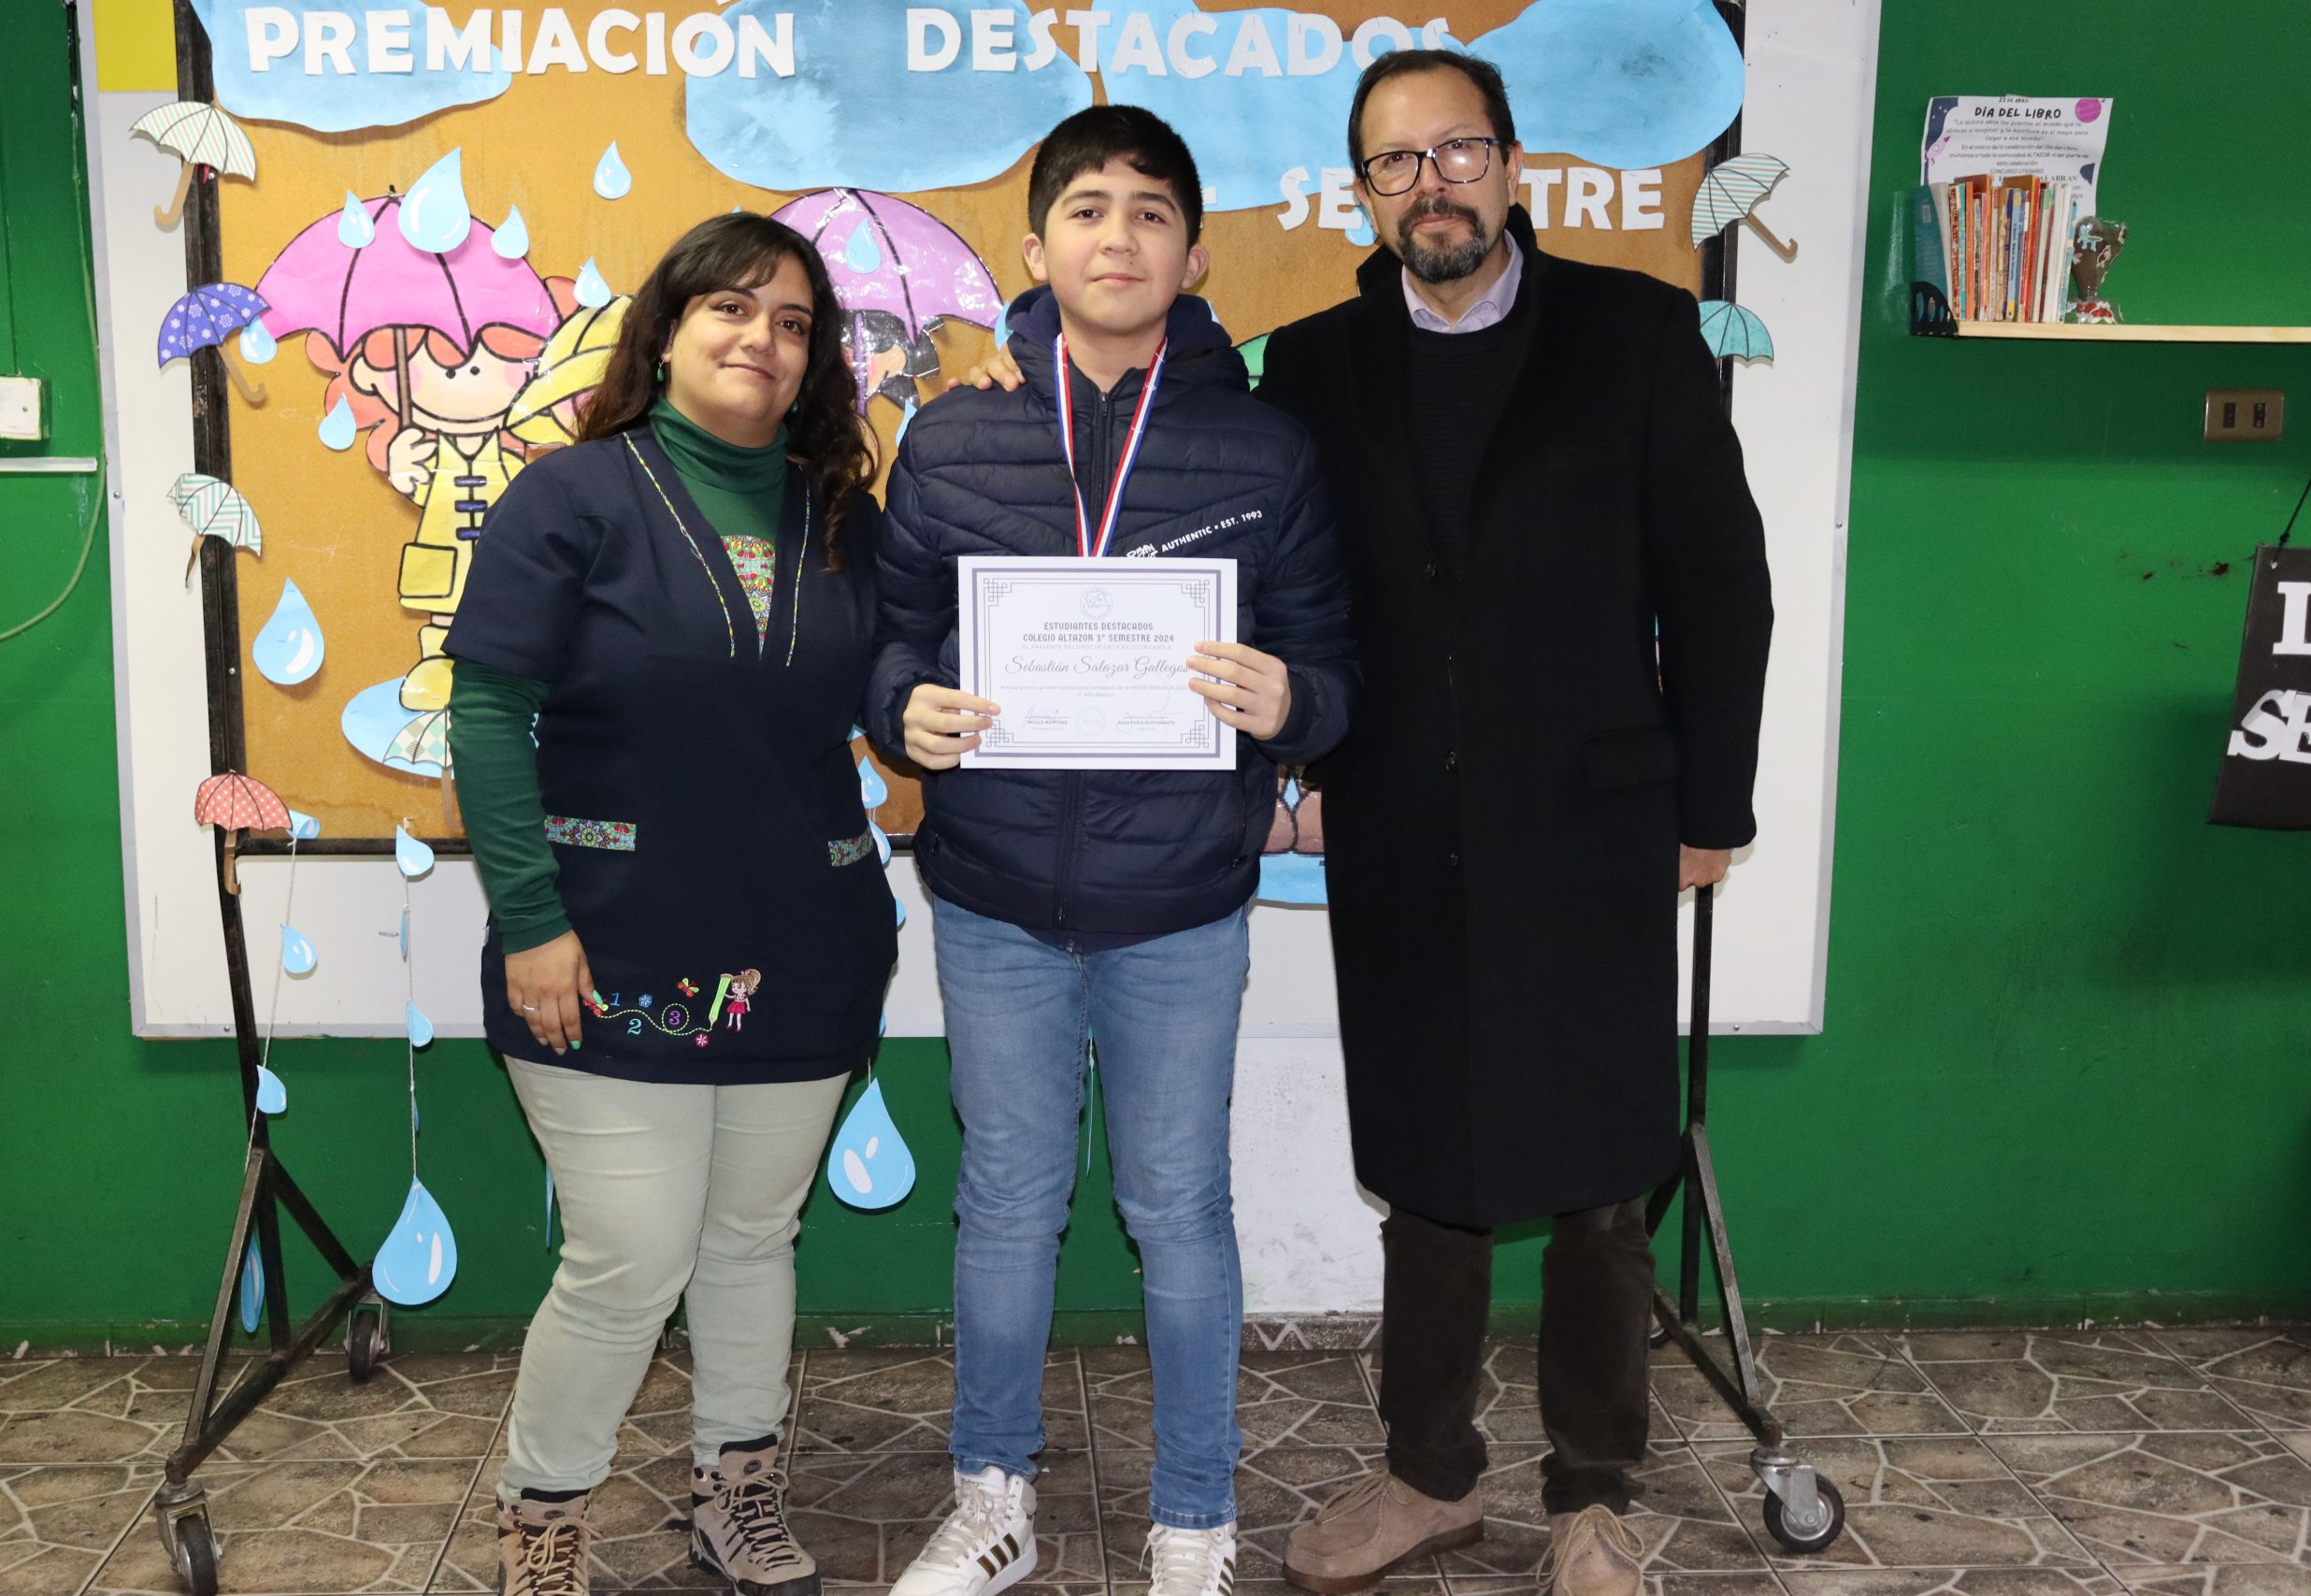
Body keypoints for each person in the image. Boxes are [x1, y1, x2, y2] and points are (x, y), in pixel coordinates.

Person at [959, 47, 1772, 1596]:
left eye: (1457, 152)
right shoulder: (1317, 367)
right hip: (1398, 825)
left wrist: (1712, 805)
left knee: (1605, 1170)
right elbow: (1170, 412)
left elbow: (1722, 584)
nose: (1431, 185)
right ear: (1365, 192)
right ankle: (1428, 1476)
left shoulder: (1636, 332)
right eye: (1397, 163)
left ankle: (1592, 1494)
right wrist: (1011, 350)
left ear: (1512, 168)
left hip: (1597, 823)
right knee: (1426, 1156)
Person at [865, 104, 1356, 1596]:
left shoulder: (1266, 446)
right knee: (1007, 1206)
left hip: (1182, 906)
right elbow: (892, 639)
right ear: (1037, 248)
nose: (1119, 237)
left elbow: (1333, 666)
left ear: (1195, 256)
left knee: (1179, 1212)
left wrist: (1292, 704)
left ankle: (1195, 1520)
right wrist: (904, 712)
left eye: (1151, 213)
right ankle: (991, 1497)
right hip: (995, 897)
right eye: (1088, 210)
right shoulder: (950, 435)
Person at [444, 212, 897, 1596]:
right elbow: (486, 717)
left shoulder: (845, 520)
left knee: (753, 1238)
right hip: (602, 943)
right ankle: (545, 1520)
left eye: (793, 321)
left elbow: (896, 689)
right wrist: (531, 921)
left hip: (805, 943)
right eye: (732, 308)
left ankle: (733, 1494)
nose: (762, 338)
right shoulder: (569, 497)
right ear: (668, 330)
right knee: (631, 1256)